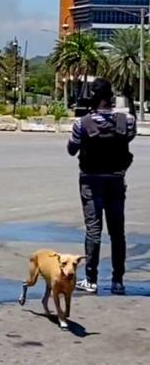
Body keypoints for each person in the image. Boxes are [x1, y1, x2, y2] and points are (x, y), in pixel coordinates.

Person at [67, 77, 135, 295]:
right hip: (115, 180)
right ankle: (118, 281)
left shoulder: (82, 123)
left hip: (91, 180)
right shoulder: (128, 121)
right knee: (117, 232)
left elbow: (72, 149)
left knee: (93, 230)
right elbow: (127, 139)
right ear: (111, 96)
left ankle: (91, 279)